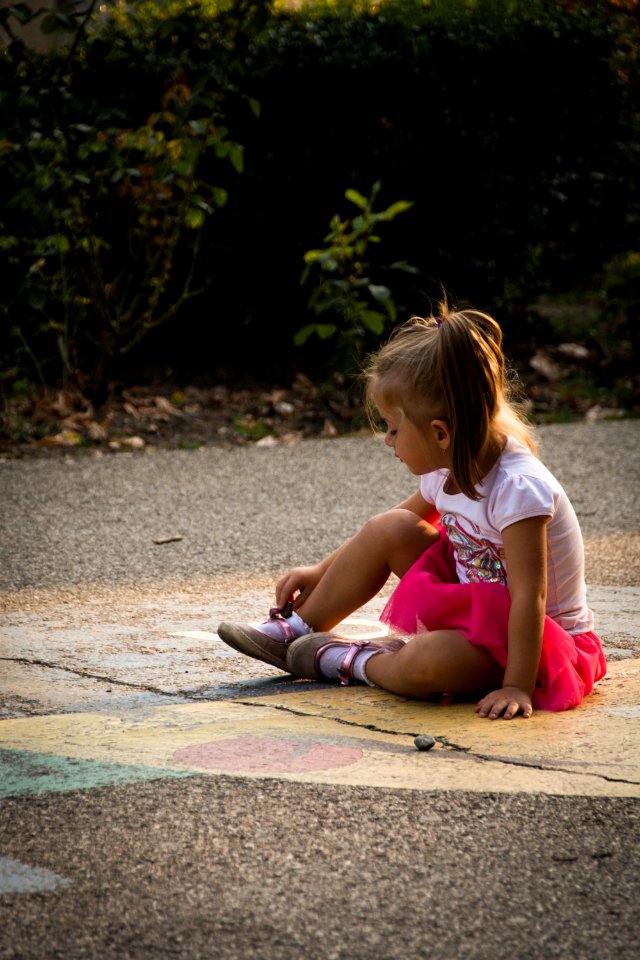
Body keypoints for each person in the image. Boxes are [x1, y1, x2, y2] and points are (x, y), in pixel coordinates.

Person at [217, 299, 607, 719]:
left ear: (440, 432)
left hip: (538, 644)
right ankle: (295, 629)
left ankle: (351, 660)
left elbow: (530, 597)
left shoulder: (518, 489)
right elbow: (382, 533)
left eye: (394, 429)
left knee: (425, 662)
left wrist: (516, 685)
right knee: (392, 526)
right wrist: (321, 571)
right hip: (476, 604)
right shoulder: (448, 466)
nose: (388, 440)